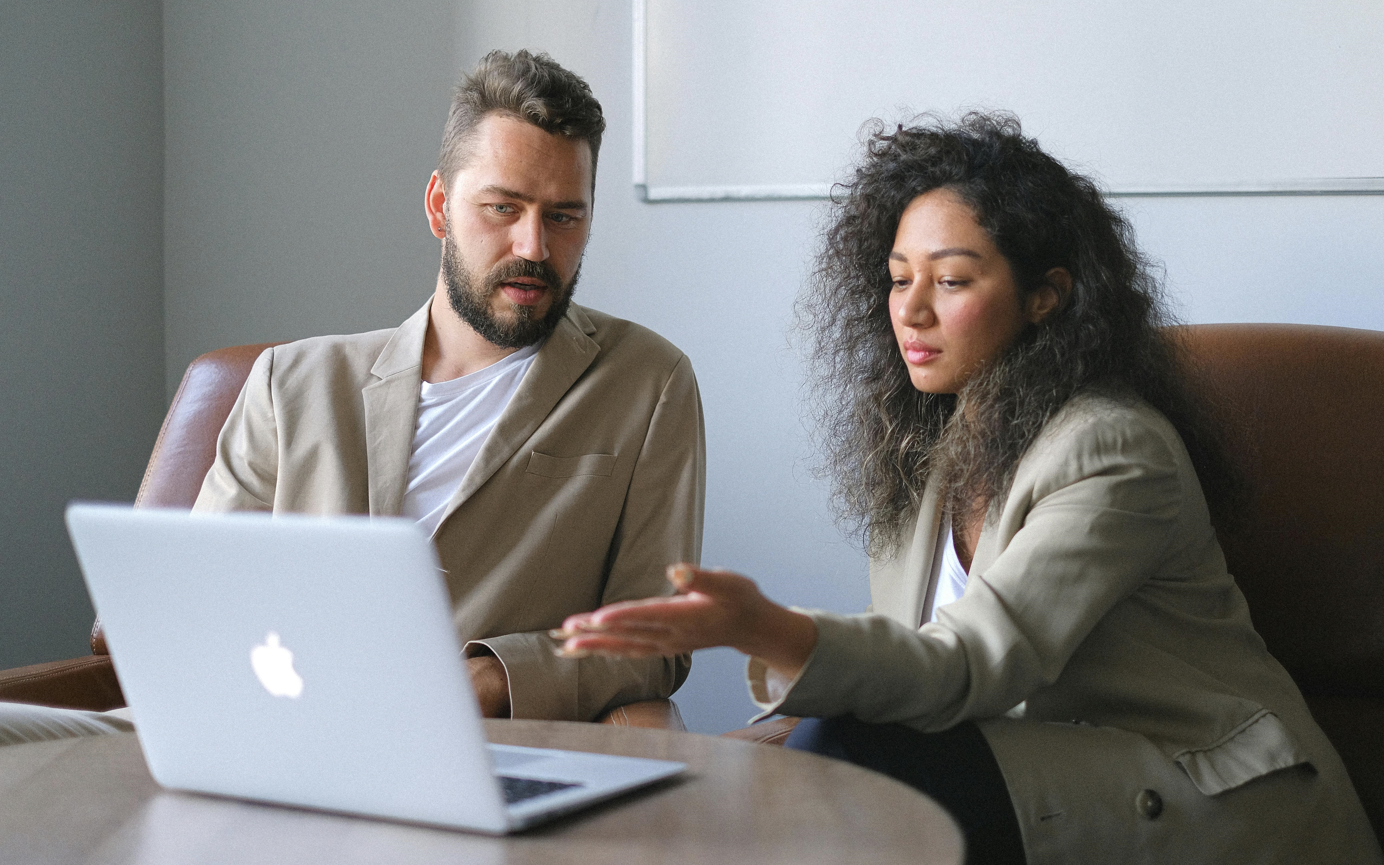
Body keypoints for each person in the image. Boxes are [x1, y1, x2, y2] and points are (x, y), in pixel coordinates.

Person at [553, 113, 1382, 863]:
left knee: (855, 757)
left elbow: (972, 662)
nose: (909, 310)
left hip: (1214, 796)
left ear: (1044, 297)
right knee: (808, 758)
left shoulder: (1115, 449)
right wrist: (745, 746)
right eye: (896, 276)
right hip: (1039, 774)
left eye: (950, 281)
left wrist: (766, 627)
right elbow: (903, 669)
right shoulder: (929, 447)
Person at [0, 49, 702, 742]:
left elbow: (657, 636)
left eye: (564, 217)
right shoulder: (291, 382)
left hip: (450, 748)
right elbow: (195, 600)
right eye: (502, 207)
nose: (534, 246)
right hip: (231, 723)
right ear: (439, 206)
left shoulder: (646, 382)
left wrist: (489, 678)